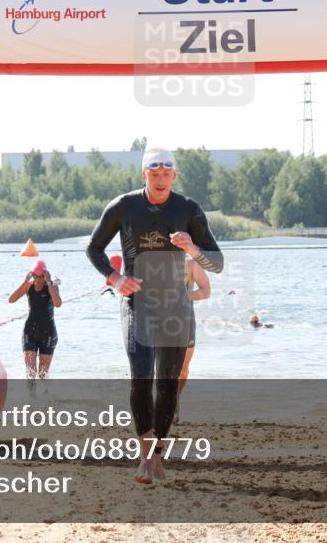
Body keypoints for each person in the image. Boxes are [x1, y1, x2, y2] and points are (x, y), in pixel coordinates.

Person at [86, 147, 223, 484]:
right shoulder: (124, 206)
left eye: (166, 173)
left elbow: (217, 262)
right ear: (144, 174)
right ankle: (145, 454)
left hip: (175, 304)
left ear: (174, 175)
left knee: (167, 382)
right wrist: (117, 279)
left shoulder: (188, 209)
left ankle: (157, 454)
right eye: (154, 172)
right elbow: (94, 248)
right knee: (142, 376)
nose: (160, 178)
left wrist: (191, 248)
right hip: (138, 303)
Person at [8, 260, 62, 388]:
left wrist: (49, 283)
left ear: (45, 275)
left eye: (41, 277)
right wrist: (24, 282)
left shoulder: (52, 286)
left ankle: (45, 399)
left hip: (48, 332)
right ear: (32, 275)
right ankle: (31, 398)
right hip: (30, 331)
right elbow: (11, 299)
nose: (38, 280)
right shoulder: (29, 285)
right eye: (35, 276)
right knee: (31, 371)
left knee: (42, 374)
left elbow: (58, 304)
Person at [174, 256, 211, 424]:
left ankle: (175, 400)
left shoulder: (190, 264)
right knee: (159, 366)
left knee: (183, 368)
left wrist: (181, 297)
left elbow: (205, 291)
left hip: (185, 319)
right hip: (157, 320)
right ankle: (164, 405)